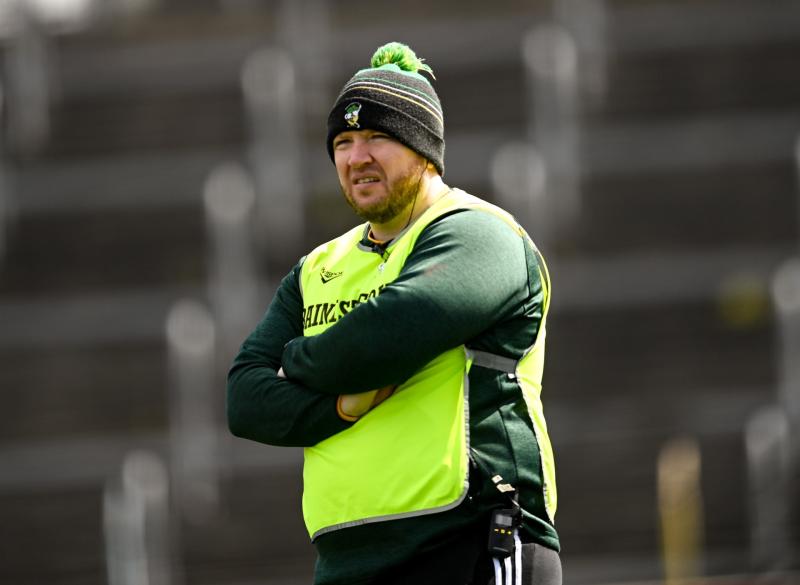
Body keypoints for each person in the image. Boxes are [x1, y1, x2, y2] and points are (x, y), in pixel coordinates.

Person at [227, 41, 562, 585]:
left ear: (424, 149)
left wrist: (294, 361)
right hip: (349, 563)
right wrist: (341, 408)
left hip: (474, 542)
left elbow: (383, 338)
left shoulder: (480, 235)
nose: (357, 157)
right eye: (343, 141)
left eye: (378, 137)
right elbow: (244, 400)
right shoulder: (316, 268)